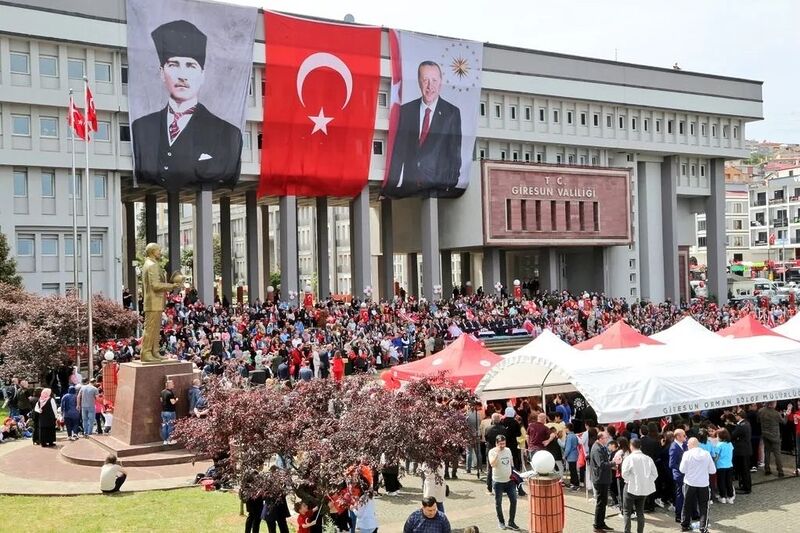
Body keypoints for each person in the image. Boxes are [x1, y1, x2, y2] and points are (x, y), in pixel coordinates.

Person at [132, 19, 242, 190]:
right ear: (162, 72)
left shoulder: (227, 133)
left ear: (202, 75)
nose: (182, 75)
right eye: (174, 65)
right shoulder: (142, 128)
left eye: (190, 66)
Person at [384, 61, 462, 197]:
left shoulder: (452, 113)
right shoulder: (406, 111)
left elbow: (454, 154)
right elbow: (398, 153)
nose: (430, 86)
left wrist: (448, 185)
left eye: (434, 80)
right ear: (419, 82)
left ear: (440, 82)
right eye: (425, 80)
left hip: (437, 190)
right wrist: (390, 189)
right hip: (408, 190)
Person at [140, 242, 181, 363]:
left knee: (155, 329)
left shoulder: (153, 264)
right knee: (150, 329)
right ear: (152, 251)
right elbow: (155, 285)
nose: (160, 252)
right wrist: (172, 285)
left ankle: (155, 352)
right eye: (158, 250)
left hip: (156, 302)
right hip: (152, 302)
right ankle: (146, 352)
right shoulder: (151, 265)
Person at [679, 437, 716, 533]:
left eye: (688, 444)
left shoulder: (687, 454)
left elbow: (682, 469)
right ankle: (703, 527)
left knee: (686, 504)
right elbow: (713, 470)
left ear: (691, 444)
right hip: (703, 484)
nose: (686, 445)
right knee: (704, 506)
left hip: (689, 483)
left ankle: (685, 525)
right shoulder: (706, 454)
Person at [621, 438, 657, 533]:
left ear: (631, 446)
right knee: (640, 512)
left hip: (630, 488)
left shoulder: (629, 458)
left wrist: (630, 480)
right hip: (643, 488)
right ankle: (640, 531)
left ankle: (627, 531)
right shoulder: (648, 458)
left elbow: (624, 473)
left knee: (627, 512)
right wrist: (646, 481)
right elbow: (655, 474)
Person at [488, 435, 520, 531]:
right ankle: (501, 521)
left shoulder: (508, 450)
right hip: (498, 482)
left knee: (514, 501)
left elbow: (511, 461)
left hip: (509, 481)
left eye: (504, 443)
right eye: (500, 444)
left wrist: (513, 472)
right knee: (498, 502)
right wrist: (497, 454)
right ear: (496, 443)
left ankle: (511, 522)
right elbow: (492, 464)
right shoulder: (492, 452)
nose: (502, 446)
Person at [590, 431, 613, 532]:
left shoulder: (600, 447)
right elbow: (601, 464)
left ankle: (601, 523)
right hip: (600, 479)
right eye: (605, 438)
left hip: (602, 478)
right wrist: (613, 463)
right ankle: (597, 525)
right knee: (601, 502)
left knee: (603, 502)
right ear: (600, 439)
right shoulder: (597, 449)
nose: (607, 440)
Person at [758, 401, 785, 476]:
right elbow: (784, 422)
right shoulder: (776, 413)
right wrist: (786, 415)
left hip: (765, 434)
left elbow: (758, 420)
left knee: (767, 452)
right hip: (775, 436)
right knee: (777, 454)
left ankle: (767, 469)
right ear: (773, 404)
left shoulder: (760, 411)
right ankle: (780, 471)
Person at [669, 428, 688, 523]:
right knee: (680, 495)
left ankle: (690, 513)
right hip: (679, 475)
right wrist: (682, 468)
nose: (685, 437)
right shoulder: (674, 447)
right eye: (684, 435)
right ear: (678, 437)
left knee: (687, 494)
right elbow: (671, 464)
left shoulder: (684, 444)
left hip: (686, 474)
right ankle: (678, 515)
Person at [731, 409, 753, 494]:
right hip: (745, 449)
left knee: (744, 470)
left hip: (742, 450)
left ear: (739, 416)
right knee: (744, 469)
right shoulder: (746, 423)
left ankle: (746, 487)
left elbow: (733, 435)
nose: (735, 417)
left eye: (736, 416)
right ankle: (745, 485)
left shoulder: (741, 426)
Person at [484, 413, 506, 494]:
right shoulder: (503, 429)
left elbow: (486, 438)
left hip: (490, 449)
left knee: (490, 469)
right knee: (502, 467)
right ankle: (503, 488)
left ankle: (489, 488)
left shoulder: (488, 428)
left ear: (492, 420)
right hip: (501, 449)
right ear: (499, 420)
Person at [714, 427, 735, 504]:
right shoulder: (730, 444)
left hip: (720, 466)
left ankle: (722, 497)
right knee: (729, 482)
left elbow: (716, 457)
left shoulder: (719, 445)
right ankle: (730, 497)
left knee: (721, 482)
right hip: (729, 465)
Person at [160, 379, 178, 445]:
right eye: (172, 384)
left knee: (164, 426)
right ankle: (169, 440)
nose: (173, 385)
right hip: (170, 412)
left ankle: (165, 440)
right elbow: (173, 402)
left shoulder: (162, 392)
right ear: (169, 385)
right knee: (171, 426)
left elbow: (161, 400)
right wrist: (176, 399)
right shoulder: (170, 393)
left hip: (163, 412)